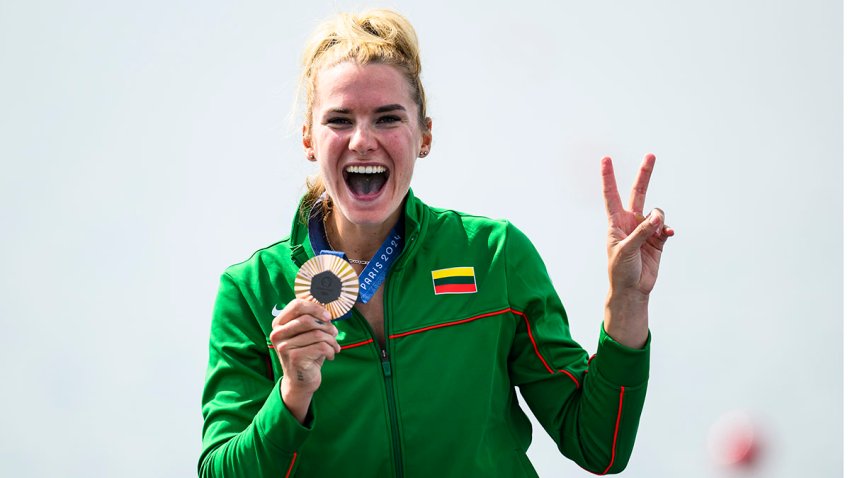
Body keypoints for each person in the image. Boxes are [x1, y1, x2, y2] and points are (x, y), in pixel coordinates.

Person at [199, 9, 673, 478]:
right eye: (339, 120)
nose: (363, 140)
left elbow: (598, 445)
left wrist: (629, 300)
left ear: (425, 135)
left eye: (388, 118)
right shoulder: (251, 292)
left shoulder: (494, 255)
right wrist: (293, 393)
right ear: (308, 137)